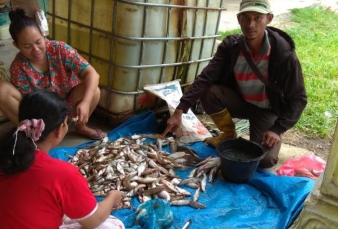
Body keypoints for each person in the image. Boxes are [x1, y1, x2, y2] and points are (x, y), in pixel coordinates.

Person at [162, 0, 307, 168]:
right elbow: (206, 77)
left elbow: (299, 98)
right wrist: (180, 110)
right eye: (245, 17)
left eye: (257, 18)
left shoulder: (283, 54)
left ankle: (263, 132)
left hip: (267, 110)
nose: (251, 24)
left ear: (269, 19)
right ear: (238, 19)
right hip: (241, 101)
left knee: (265, 160)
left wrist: (277, 129)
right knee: (209, 91)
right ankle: (228, 134)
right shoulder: (231, 46)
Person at [0, 90, 125, 229]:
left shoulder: (6, 153)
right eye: (66, 123)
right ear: (59, 129)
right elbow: (93, 221)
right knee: (111, 224)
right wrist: (112, 198)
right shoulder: (63, 173)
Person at [0, 8, 105, 140]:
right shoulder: (18, 66)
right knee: (1, 90)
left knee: (94, 91)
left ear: (43, 34)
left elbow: (92, 74)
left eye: (38, 42)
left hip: (68, 104)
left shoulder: (59, 49)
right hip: (42, 113)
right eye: (27, 46)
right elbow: (29, 104)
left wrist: (85, 102)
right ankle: (34, 136)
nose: (36, 50)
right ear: (16, 45)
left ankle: (81, 126)